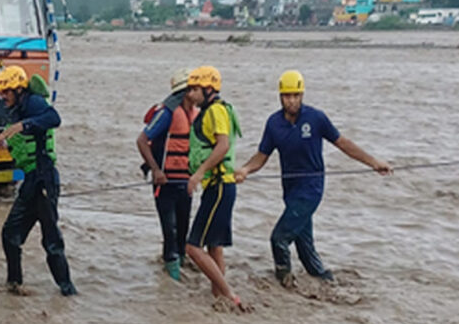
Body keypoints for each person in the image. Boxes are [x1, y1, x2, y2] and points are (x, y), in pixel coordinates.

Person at [234, 70, 393, 286]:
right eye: (287, 96)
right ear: (280, 96)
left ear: (302, 95)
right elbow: (261, 157)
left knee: (279, 239)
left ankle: (284, 283)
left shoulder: (316, 118)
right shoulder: (273, 123)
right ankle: (328, 282)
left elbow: (343, 143)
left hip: (311, 189)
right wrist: (244, 170)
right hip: (290, 190)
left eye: (295, 96)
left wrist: (374, 162)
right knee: (305, 249)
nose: (291, 101)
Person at [0, 65, 77, 296]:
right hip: (32, 181)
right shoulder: (19, 107)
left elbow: (54, 118)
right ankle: (14, 285)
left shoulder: (33, 103)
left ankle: (67, 290)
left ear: (19, 89)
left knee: (51, 240)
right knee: (10, 234)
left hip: (44, 179)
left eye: (6, 92)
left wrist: (24, 125)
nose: (3, 97)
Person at [184, 66, 248, 311]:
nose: (190, 95)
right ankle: (219, 298)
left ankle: (229, 294)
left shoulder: (216, 111)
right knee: (214, 246)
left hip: (220, 186)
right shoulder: (211, 110)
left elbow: (222, 146)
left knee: (192, 246)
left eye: (195, 89)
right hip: (218, 186)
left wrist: (198, 174)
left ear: (209, 89)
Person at [136, 68, 198, 280]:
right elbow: (142, 140)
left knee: (183, 229)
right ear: (187, 92)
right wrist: (155, 169)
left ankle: (180, 263)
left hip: (185, 182)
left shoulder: (196, 115)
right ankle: (171, 276)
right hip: (165, 182)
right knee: (169, 230)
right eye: (195, 89)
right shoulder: (167, 113)